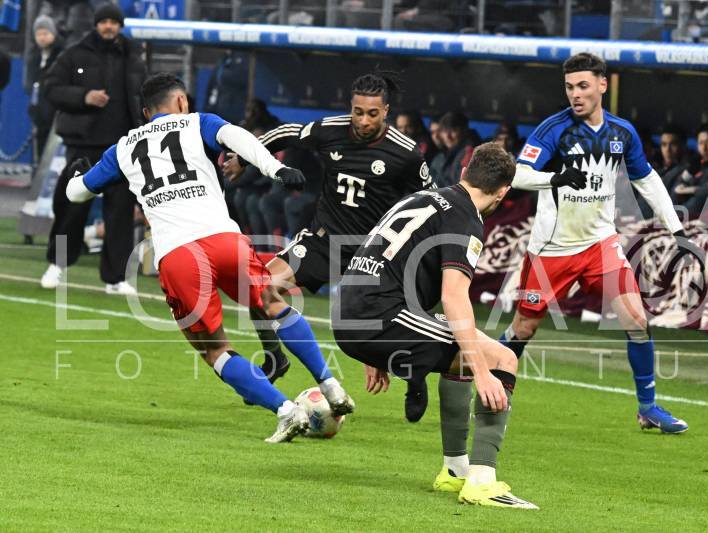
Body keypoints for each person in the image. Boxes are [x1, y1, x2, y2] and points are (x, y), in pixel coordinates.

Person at [64, 73, 354, 443]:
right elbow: (236, 136)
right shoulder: (196, 122)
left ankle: (285, 410)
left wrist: (77, 174)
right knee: (271, 302)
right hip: (224, 240)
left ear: (145, 112)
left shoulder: (122, 149)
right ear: (181, 101)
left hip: (178, 255)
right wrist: (276, 169)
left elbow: (76, 193)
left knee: (214, 349)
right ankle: (329, 384)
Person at [498, 53, 703, 434]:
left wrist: (677, 231)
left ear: (602, 85)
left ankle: (648, 408)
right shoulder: (553, 130)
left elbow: (647, 180)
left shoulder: (622, 133)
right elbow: (518, 174)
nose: (575, 94)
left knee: (636, 320)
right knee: (524, 328)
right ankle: (491, 387)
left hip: (600, 245)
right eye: (569, 87)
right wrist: (555, 178)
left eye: (583, 86)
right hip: (552, 250)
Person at [333, 142, 537, 509]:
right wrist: (483, 373)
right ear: (503, 192)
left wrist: (371, 346)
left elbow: (377, 257)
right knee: (501, 359)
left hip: (350, 309)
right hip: (379, 315)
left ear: (464, 172)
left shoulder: (422, 198)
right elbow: (454, 297)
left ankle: (455, 471)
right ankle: (482, 482)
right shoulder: (465, 218)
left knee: (459, 353)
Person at [222, 72, 433, 419]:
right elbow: (285, 133)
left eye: (372, 114)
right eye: (358, 112)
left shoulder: (406, 153)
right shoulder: (330, 130)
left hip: (372, 254)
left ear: (386, 111)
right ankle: (274, 358)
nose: (363, 121)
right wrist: (244, 158)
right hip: (323, 241)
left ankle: (414, 376)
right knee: (259, 287)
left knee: (389, 330)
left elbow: (429, 202)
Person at [39, 4, 146, 294]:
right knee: (71, 209)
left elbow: (144, 95)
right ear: (96, 24)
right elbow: (51, 88)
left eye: (114, 22)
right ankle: (57, 264)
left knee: (120, 214)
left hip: (122, 149)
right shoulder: (74, 54)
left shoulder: (134, 55)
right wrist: (83, 96)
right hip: (84, 146)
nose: (109, 26)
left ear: (121, 25)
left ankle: (117, 278)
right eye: (104, 21)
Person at [25, 15, 63, 158]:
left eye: (45, 33)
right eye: (38, 34)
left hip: (55, 112)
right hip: (39, 112)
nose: (42, 38)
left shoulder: (61, 55)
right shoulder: (35, 56)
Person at [429, 111, 475, 187]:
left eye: (453, 130)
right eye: (444, 131)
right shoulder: (443, 155)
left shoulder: (469, 153)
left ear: (464, 130)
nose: (448, 136)